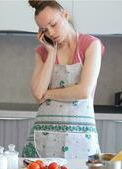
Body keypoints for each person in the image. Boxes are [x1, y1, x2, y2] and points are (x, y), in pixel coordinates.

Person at [22, 0, 105, 159]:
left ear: (65, 15)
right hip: (44, 137)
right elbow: (37, 93)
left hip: (80, 137)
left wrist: (48, 94)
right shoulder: (43, 52)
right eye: (44, 30)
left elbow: (83, 91)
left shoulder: (90, 45)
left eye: (54, 24)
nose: (51, 33)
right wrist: (51, 53)